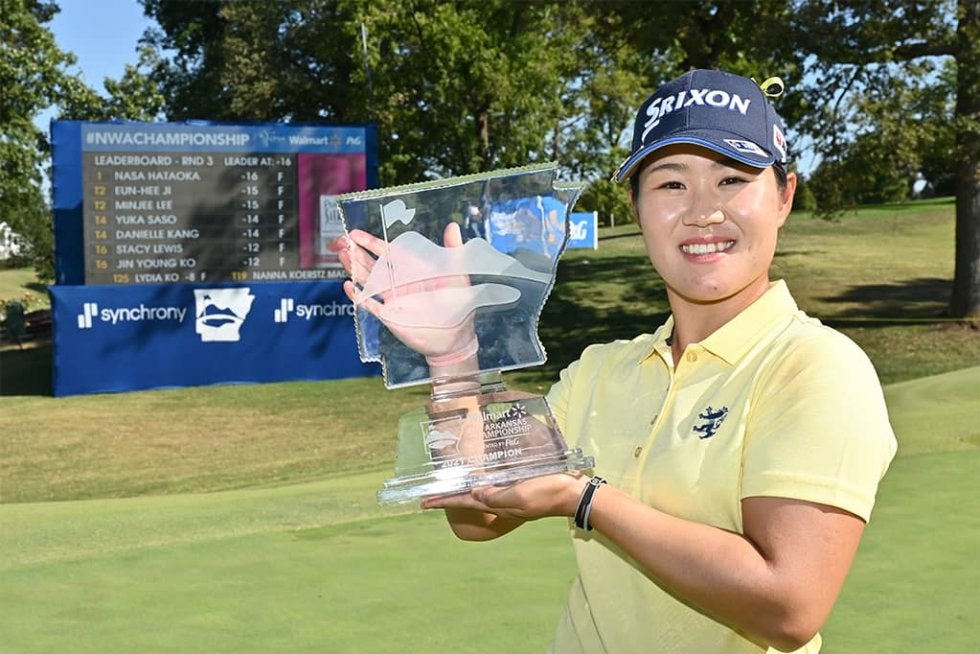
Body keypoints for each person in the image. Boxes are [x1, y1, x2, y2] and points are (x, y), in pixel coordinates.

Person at [340, 69, 897, 654]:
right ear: (634, 206)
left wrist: (587, 500)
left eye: (732, 179)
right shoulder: (601, 372)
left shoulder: (816, 367)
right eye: (671, 184)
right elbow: (478, 517)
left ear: (784, 197)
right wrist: (454, 355)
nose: (703, 211)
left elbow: (788, 606)